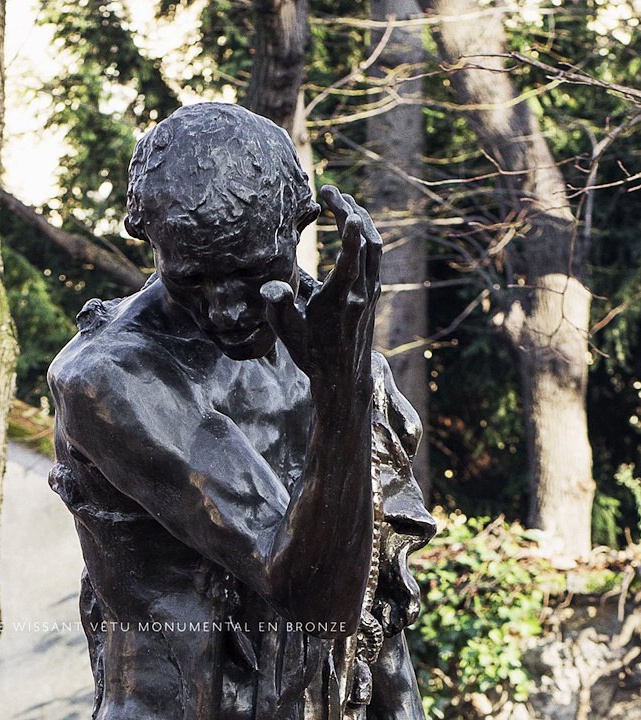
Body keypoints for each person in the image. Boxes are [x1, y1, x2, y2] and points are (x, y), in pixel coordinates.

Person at [47, 102, 436, 720]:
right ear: (149, 242)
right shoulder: (111, 380)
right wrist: (342, 398)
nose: (228, 312)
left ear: (301, 228)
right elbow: (315, 597)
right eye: (193, 279)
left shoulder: (342, 357)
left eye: (255, 274)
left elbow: (375, 618)